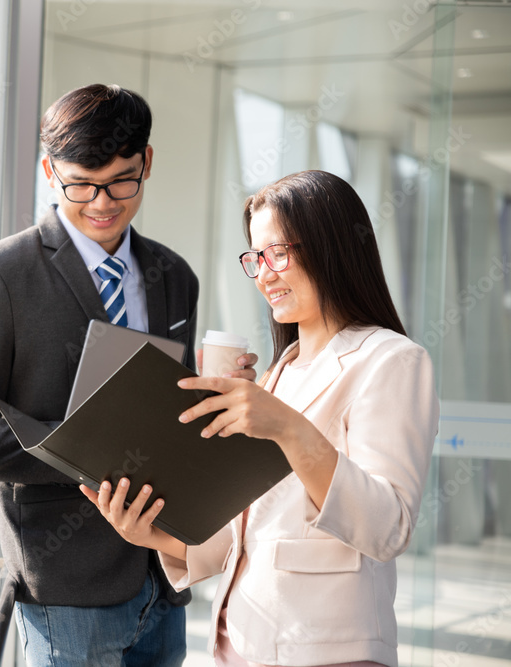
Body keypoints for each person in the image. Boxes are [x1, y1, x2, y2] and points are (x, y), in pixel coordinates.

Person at [83, 169, 440, 667]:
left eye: (278, 253)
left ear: (331, 247)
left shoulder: (391, 360)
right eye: (255, 258)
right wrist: (151, 535)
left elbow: (388, 527)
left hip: (326, 648)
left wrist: (288, 427)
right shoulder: (277, 375)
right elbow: (245, 535)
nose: (264, 274)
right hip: (242, 643)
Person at [0, 83, 257, 666]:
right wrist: (89, 450)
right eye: (81, 184)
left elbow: (172, 411)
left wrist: (224, 401)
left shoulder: (174, 275)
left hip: (163, 576)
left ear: (147, 162)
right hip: (67, 584)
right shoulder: (2, 276)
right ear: (50, 170)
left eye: (122, 181)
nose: (103, 202)